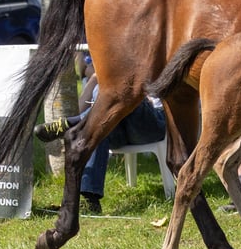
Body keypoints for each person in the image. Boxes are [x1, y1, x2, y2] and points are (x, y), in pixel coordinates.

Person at [34, 74, 166, 214]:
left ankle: (72, 123)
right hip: (118, 125)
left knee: (124, 89)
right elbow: (82, 105)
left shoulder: (161, 55)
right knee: (100, 114)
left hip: (152, 123)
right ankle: (90, 200)